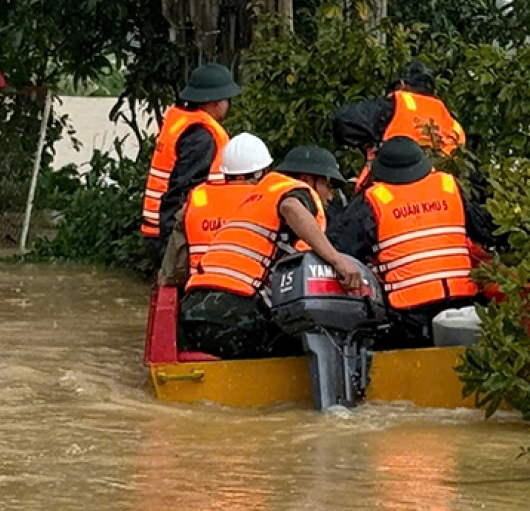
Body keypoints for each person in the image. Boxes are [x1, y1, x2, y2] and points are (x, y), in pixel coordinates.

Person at [179, 145, 364, 360]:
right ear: (307, 179)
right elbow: (291, 208)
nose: (330, 195)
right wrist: (337, 260)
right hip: (235, 315)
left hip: (192, 315)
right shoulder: (295, 191)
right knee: (313, 343)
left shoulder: (259, 197)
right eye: (328, 184)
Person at [326, 137, 487, 348]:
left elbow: (338, 246)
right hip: (462, 304)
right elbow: (485, 229)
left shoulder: (376, 198)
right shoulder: (447, 186)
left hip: (409, 313)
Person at [141, 63, 240, 254]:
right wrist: (172, 241)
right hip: (175, 231)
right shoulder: (202, 137)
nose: (228, 106)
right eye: (227, 100)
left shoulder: (180, 123)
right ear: (215, 103)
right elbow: (183, 190)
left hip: (160, 225)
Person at [158, 132, 272, 288]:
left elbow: (174, 271)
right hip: (251, 296)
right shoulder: (268, 200)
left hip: (198, 293)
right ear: (262, 172)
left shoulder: (197, 200)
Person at [332, 60, 465, 192]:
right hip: (439, 199)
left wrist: (372, 143)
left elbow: (343, 121)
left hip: (393, 193)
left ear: (401, 85)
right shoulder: (453, 125)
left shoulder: (395, 105)